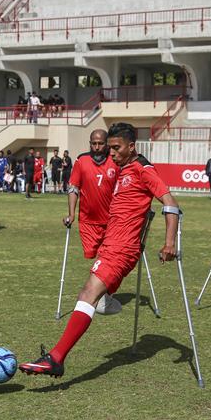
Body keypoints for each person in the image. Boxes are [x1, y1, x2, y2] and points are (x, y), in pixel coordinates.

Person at [19, 122, 180, 378]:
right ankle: (106, 304)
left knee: (87, 293)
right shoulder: (122, 167)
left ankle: (56, 358)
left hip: (122, 248)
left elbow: (171, 205)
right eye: (109, 147)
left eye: (116, 148)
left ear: (131, 147)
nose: (111, 153)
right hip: (109, 244)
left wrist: (170, 243)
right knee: (96, 299)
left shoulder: (143, 169)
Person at [64, 129, 120, 314]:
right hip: (88, 222)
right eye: (93, 143)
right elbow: (74, 188)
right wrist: (71, 214)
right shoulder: (81, 161)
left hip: (112, 222)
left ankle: (100, 296)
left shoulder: (115, 162)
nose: (96, 147)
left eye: (100, 143)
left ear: (107, 143)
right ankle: (99, 294)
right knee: (94, 257)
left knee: (106, 259)